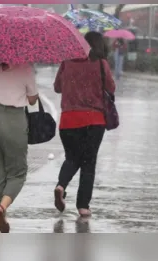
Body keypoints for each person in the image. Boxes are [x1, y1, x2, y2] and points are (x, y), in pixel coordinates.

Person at [53, 31, 116, 217]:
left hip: (68, 120)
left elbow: (57, 87)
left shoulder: (67, 62)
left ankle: (61, 185)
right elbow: (111, 88)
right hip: (94, 121)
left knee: (72, 158)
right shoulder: (101, 63)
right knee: (88, 162)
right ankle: (83, 205)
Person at [0, 61, 39, 233]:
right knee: (17, 172)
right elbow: (33, 100)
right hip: (14, 120)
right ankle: (2, 208)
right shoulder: (25, 67)